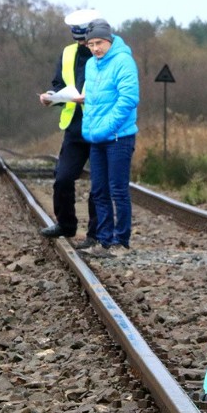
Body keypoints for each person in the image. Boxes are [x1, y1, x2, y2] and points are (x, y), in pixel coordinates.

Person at [38, 8, 100, 249]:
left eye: (85, 39)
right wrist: (51, 97)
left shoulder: (105, 54)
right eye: (80, 40)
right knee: (62, 178)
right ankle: (66, 225)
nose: (84, 44)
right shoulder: (67, 53)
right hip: (74, 127)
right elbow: (59, 84)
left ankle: (95, 233)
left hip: (99, 126)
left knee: (99, 183)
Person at [79, 19, 140, 258]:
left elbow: (128, 99)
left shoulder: (123, 61)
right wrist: (92, 127)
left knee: (118, 190)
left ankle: (120, 241)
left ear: (109, 40)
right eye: (91, 44)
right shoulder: (91, 65)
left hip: (118, 137)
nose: (95, 48)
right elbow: (92, 101)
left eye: (99, 43)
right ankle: (103, 240)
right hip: (97, 138)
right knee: (99, 191)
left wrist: (107, 126)